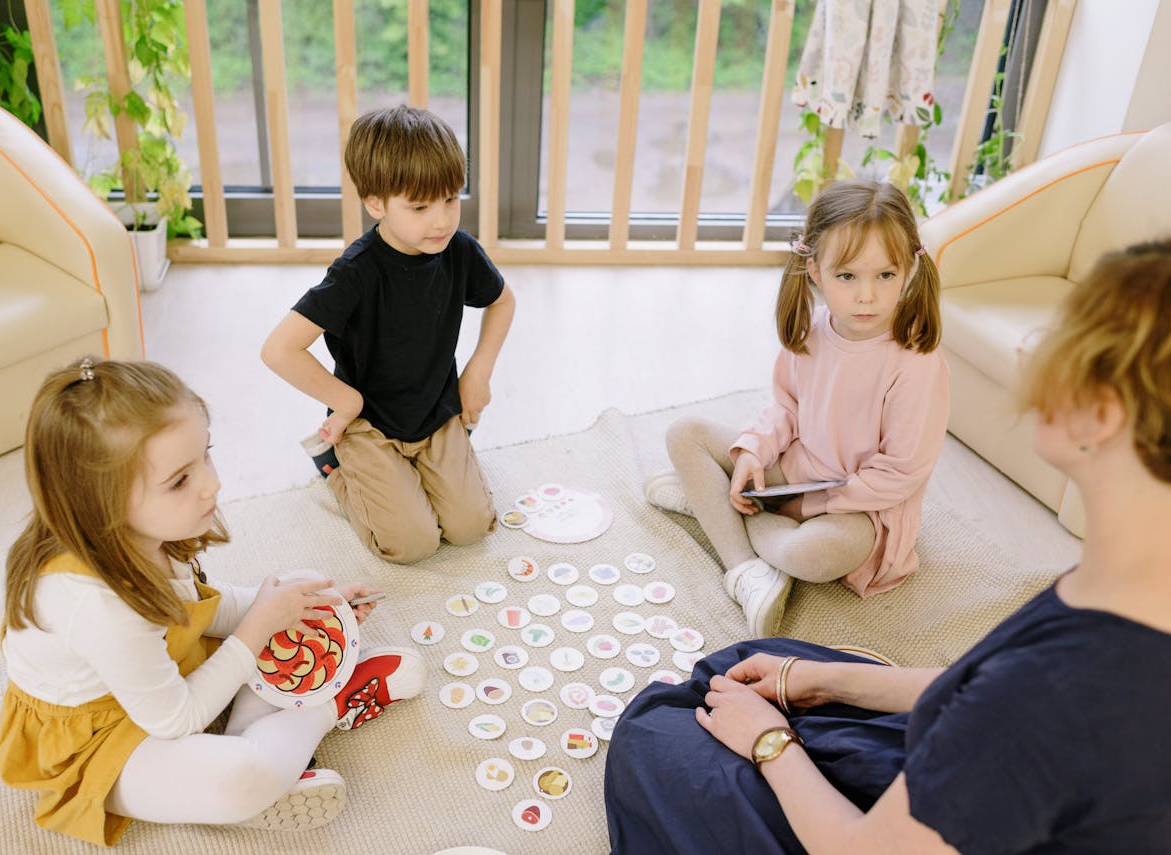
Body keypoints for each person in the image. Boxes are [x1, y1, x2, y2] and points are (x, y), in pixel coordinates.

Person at [605, 240, 1171, 854]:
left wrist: (772, 744)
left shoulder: (1048, 694)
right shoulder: (1127, 579)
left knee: (654, 732)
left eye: (1063, 337)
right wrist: (821, 681)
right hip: (991, 788)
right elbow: (978, 687)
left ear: (1105, 414)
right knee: (745, 667)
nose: (1034, 349)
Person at [0, 359, 427, 847]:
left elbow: (199, 609)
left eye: (207, 455)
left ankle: (260, 729)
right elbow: (176, 719)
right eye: (180, 480)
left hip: (157, 676)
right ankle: (328, 707)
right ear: (102, 503)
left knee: (300, 585)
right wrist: (257, 629)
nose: (212, 483)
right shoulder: (95, 606)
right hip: (103, 741)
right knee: (243, 774)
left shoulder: (137, 536)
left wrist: (305, 605)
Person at [644, 179, 949, 636]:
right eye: (847, 276)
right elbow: (786, 408)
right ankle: (745, 572)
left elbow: (901, 474)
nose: (867, 295)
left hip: (861, 509)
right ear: (815, 271)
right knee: (683, 433)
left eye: (885, 275)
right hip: (799, 472)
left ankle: (715, 511)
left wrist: (812, 504)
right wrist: (754, 451)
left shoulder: (916, 363)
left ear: (908, 269)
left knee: (812, 556)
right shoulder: (814, 331)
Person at [261, 104, 516, 565]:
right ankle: (337, 471)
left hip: (436, 412)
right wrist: (348, 403)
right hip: (367, 426)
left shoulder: (458, 249)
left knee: (470, 528)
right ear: (376, 203)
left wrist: (479, 372)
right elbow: (279, 349)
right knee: (411, 544)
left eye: (451, 200)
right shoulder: (356, 272)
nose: (441, 220)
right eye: (419, 206)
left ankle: (410, 474)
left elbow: (502, 301)